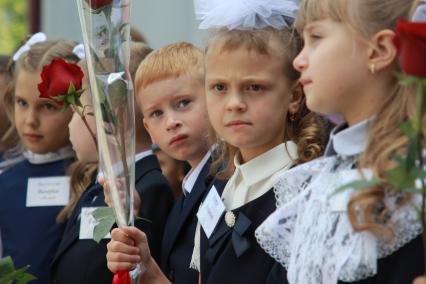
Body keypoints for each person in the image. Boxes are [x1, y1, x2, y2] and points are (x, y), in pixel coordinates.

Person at [256, 0, 425, 283]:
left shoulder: (412, 189)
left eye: (316, 38)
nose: (299, 60)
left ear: (380, 50)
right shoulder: (315, 183)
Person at [188, 1, 327, 283]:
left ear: (294, 97)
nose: (235, 104)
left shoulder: (303, 191)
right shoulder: (219, 186)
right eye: (219, 87)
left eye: (254, 87)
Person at [51, 41, 174, 284]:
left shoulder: (149, 188)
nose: (69, 125)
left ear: (109, 117)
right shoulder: (97, 184)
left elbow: (141, 268)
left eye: (77, 112)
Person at [106, 42, 222, 284]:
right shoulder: (188, 187)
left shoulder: (225, 179)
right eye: (157, 113)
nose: (171, 122)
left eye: (183, 103)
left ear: (213, 97)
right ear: (147, 128)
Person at [0, 34, 77, 283]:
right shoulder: (5, 178)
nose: (30, 120)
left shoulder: (96, 179)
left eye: (47, 106)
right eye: (22, 103)